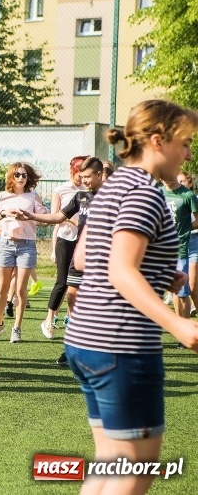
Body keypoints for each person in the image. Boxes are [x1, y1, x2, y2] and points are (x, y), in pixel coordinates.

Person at [65, 100, 198, 495]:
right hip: (120, 344)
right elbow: (121, 270)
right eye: (185, 143)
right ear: (158, 141)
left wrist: (160, 273)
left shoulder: (114, 185)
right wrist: (178, 324)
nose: (189, 154)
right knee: (136, 468)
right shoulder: (146, 193)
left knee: (111, 462)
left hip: (85, 340)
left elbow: (86, 257)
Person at [15, 158, 104, 353]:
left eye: (88, 177)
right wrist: (31, 216)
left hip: (102, 258)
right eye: (82, 177)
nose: (84, 181)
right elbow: (58, 217)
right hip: (80, 256)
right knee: (72, 296)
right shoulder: (81, 197)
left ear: (99, 175)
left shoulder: (112, 197)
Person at [0, 162, 48, 343]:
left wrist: (29, 216)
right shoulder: (1, 196)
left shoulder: (33, 196)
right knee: (2, 288)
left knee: (20, 289)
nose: (21, 178)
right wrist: (1, 217)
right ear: (10, 176)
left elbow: (45, 220)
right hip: (5, 244)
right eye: (17, 174)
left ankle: (17, 328)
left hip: (26, 245)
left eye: (24, 175)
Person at [39, 156, 87, 335]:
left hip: (82, 242)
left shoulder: (88, 191)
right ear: (73, 171)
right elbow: (55, 217)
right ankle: (48, 320)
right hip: (65, 239)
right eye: (80, 174)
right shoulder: (61, 190)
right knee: (62, 282)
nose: (83, 178)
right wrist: (75, 223)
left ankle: (72, 320)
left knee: (78, 283)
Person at [161, 170, 198, 322]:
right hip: (162, 248)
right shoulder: (158, 193)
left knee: (183, 291)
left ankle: (186, 325)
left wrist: (184, 229)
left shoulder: (188, 196)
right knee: (174, 290)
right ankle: (179, 325)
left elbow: (197, 220)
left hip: (182, 247)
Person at [177, 171, 198, 317]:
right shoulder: (173, 199)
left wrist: (185, 227)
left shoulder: (194, 198)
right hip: (179, 243)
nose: (180, 184)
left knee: (193, 286)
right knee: (178, 288)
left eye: (183, 181)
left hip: (194, 241)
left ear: (189, 183)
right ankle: (179, 321)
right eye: (178, 181)